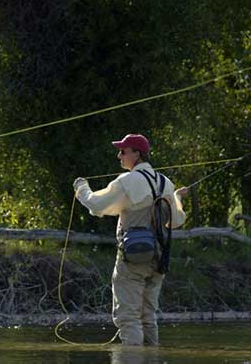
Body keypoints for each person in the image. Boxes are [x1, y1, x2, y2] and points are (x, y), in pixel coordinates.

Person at [73, 134, 187, 346]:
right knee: (148, 317)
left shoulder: (127, 182)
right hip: (158, 260)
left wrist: (82, 188)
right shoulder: (166, 183)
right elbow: (176, 221)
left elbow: (97, 206)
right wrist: (177, 198)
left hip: (132, 260)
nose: (119, 155)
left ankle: (132, 359)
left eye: (123, 151)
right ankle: (152, 359)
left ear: (137, 154)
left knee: (128, 319)